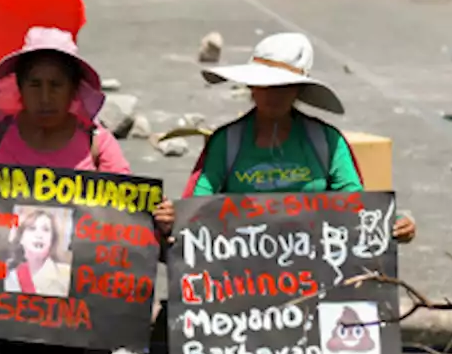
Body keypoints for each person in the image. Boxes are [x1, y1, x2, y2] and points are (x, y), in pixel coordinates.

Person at [0, 27, 170, 354]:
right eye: (35, 84)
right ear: (20, 89)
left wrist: (159, 217)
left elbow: (129, 218)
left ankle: (117, 343)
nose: (45, 96)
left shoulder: (98, 143)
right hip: (1, 292)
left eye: (56, 85)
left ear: (72, 92)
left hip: (78, 299)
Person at [154, 32, 416, 241]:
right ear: (251, 87)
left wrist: (395, 225)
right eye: (265, 85)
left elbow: (357, 205)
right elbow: (198, 205)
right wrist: (171, 219)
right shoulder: (227, 142)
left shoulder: (327, 142)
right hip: (237, 281)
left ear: (298, 91)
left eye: (282, 87)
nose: (272, 94)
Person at [2, 208, 71, 297]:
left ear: (52, 239)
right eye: (32, 228)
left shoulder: (65, 276)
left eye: (46, 229)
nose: (39, 235)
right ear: (21, 238)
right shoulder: (9, 275)